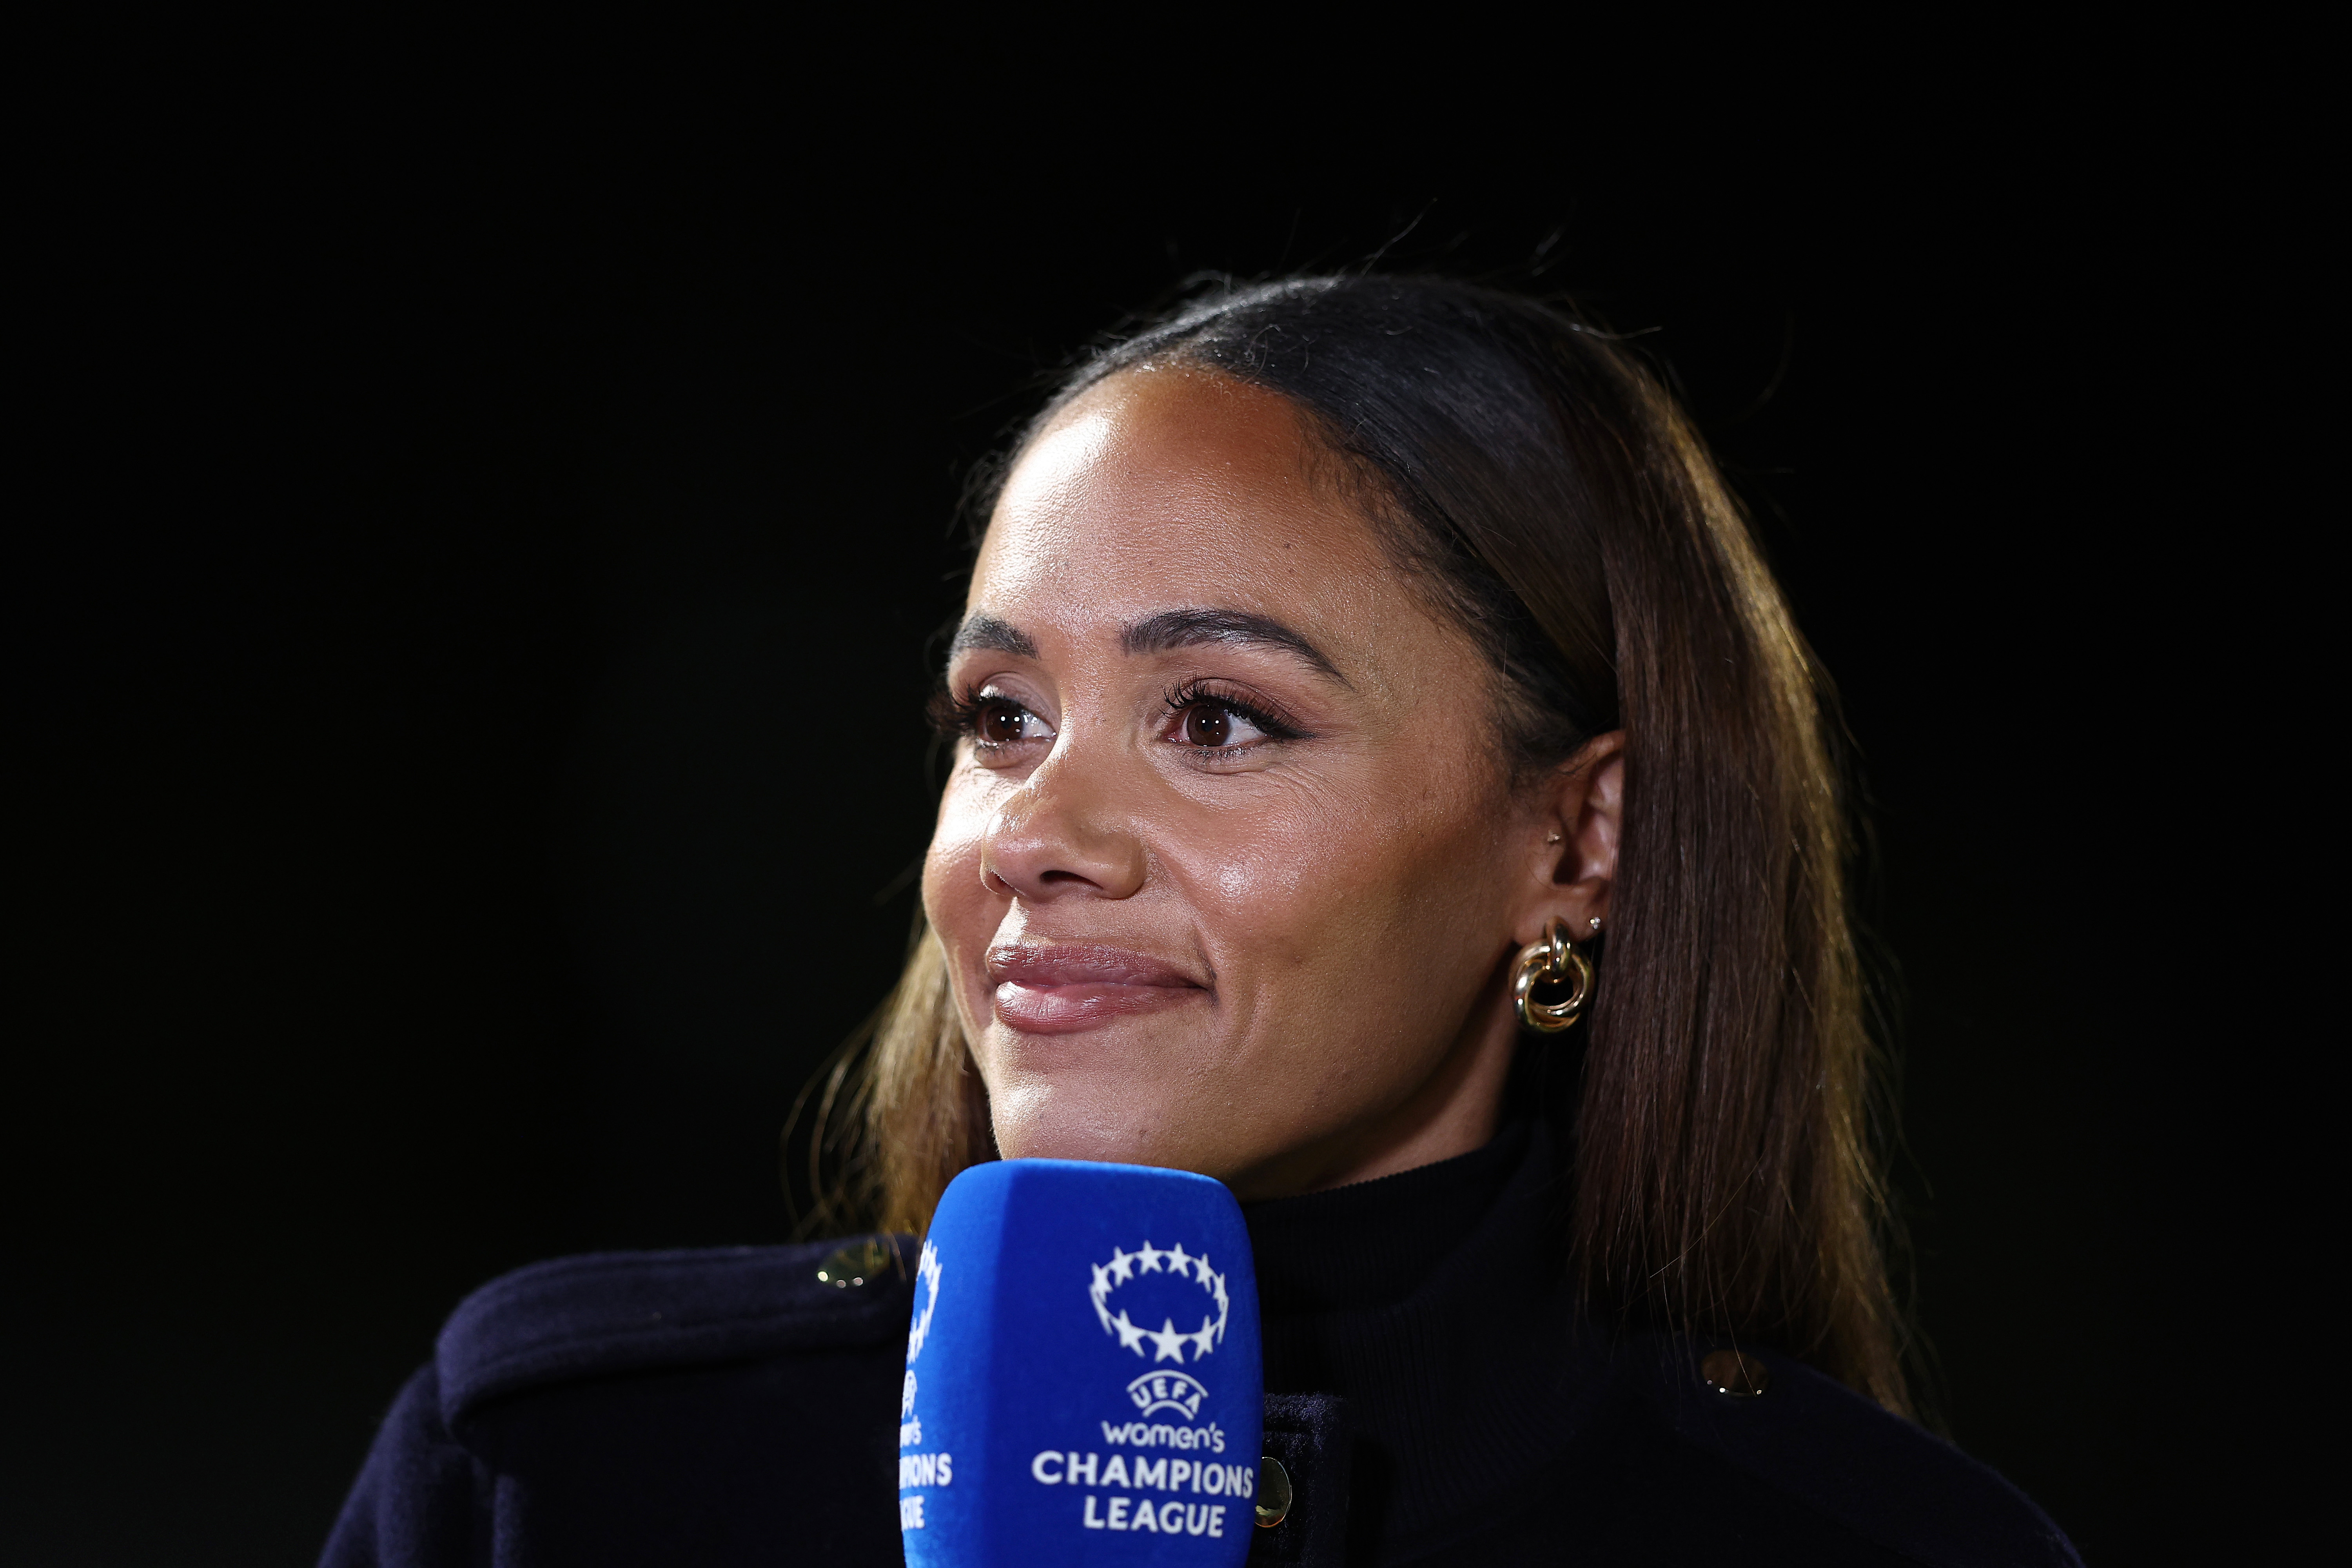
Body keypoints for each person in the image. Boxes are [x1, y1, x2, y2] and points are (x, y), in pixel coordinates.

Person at [322, 276, 2080, 1566]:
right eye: (1003, 717)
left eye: (1217, 718)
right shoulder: (554, 1483)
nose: (1036, 837)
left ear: (1579, 836)